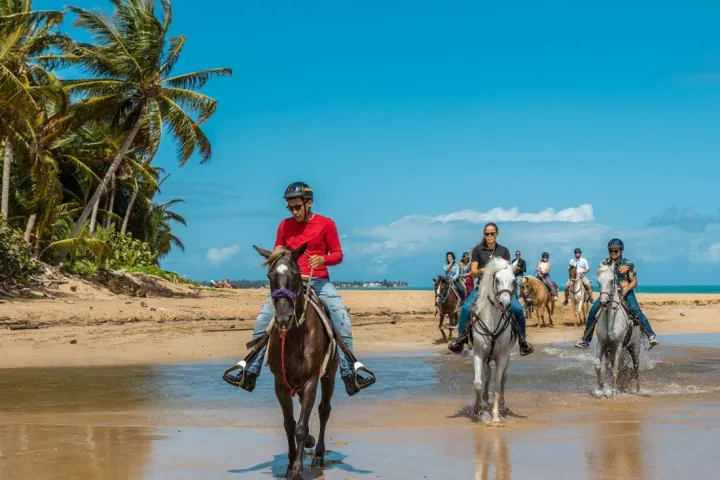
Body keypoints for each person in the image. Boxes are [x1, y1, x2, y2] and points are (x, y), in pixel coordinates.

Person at [234, 181, 374, 396]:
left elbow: (338, 254)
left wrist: (323, 260)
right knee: (263, 319)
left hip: (318, 282)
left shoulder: (326, 224)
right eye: (290, 207)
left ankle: (350, 374)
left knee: (341, 319)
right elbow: (278, 253)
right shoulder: (284, 225)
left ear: (309, 204)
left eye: (298, 207)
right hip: (289, 284)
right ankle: (250, 371)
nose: (294, 211)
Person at [448, 222, 534, 356]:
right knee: (466, 308)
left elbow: (507, 269)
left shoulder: (504, 250)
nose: (489, 236)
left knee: (518, 309)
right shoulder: (478, 250)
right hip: (482, 288)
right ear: (484, 235)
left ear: (497, 234)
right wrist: (488, 269)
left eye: (492, 233)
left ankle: (523, 341)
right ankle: (461, 339)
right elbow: (474, 271)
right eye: (487, 233)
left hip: (500, 288)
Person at [574, 238, 659, 349]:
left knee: (636, 311)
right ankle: (586, 339)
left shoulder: (628, 264)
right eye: (611, 251)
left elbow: (634, 281)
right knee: (593, 311)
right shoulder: (604, 263)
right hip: (608, 293)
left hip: (625, 292)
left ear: (621, 251)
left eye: (616, 251)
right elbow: (600, 278)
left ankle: (650, 335)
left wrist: (627, 288)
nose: (613, 253)